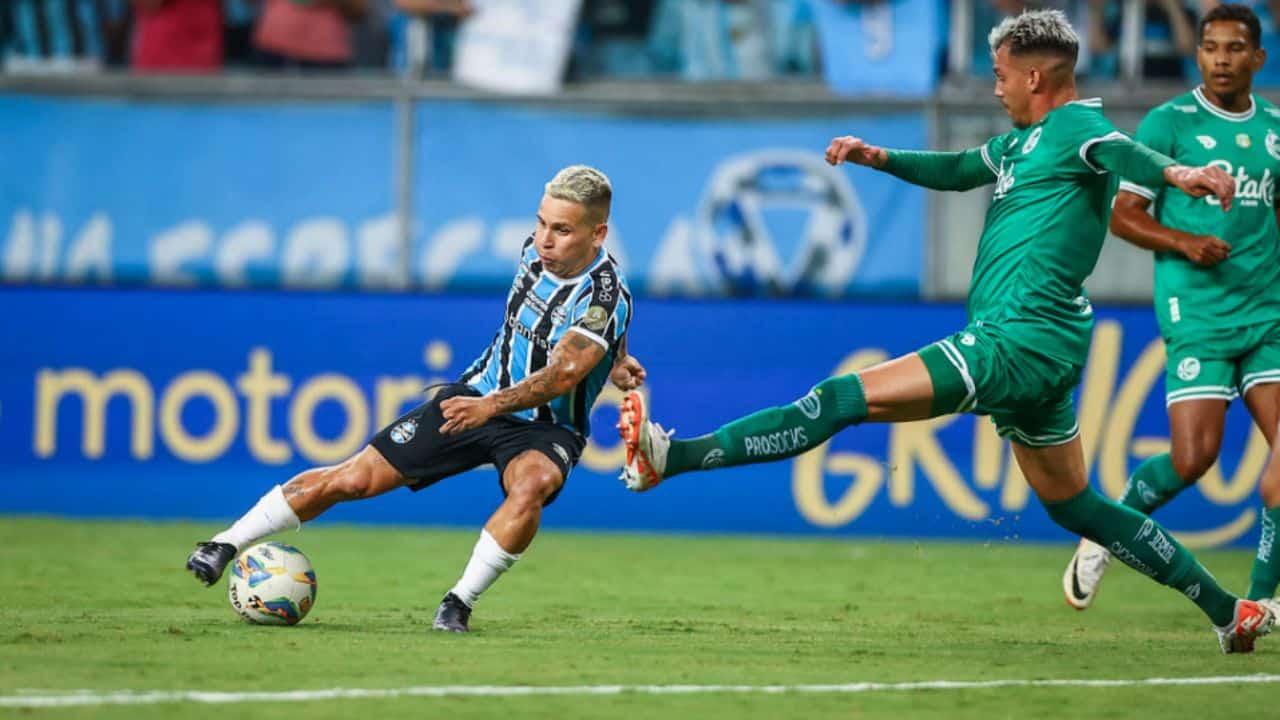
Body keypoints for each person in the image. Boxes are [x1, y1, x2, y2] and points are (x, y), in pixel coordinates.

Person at [619, 9, 1277, 653]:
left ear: (1037, 80)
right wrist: (878, 157)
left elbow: (1119, 151)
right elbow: (960, 169)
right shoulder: (1023, 142)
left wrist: (1177, 173)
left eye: (1001, 75)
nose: (995, 86)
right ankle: (1230, 612)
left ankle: (672, 457)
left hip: (1014, 339)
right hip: (1044, 347)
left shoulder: (1077, 123)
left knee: (839, 399)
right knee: (1078, 508)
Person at [187, 165, 644, 633]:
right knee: (355, 479)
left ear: (598, 233)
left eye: (562, 230)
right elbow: (599, 335)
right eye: (541, 222)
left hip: (546, 426)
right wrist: (618, 359)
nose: (545, 239)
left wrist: (586, 364)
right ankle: (224, 543)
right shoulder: (534, 252)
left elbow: (566, 371)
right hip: (477, 393)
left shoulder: (606, 294)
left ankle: (458, 602)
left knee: (532, 485)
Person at [1064, 4, 1280, 610]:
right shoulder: (1169, 124)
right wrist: (1185, 242)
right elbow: (1122, 214)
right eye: (1210, 47)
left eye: (1234, 48)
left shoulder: (1275, 131)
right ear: (1198, 53)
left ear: (1257, 58)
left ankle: (1260, 604)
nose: (1220, 58)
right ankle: (1108, 530)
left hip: (1268, 313)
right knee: (1194, 457)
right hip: (1199, 314)